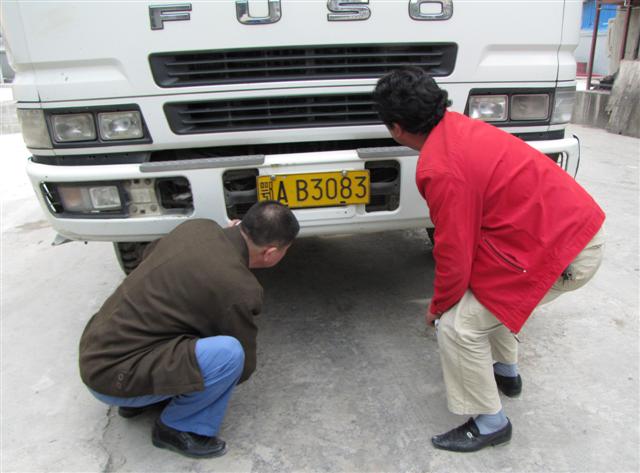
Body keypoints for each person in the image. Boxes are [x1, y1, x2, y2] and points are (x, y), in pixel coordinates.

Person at [373, 67, 605, 452]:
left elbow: (453, 251)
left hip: (568, 253)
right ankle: (506, 372)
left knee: (458, 326)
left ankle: (490, 423)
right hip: (571, 232)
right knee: (483, 294)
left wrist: (438, 307)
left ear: (396, 128)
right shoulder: (459, 127)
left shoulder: (441, 166)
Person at [79, 201, 299, 459]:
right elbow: (244, 367)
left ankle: (140, 399)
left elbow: (148, 254)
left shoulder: (198, 227)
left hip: (97, 353)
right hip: (113, 380)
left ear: (239, 224)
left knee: (187, 319)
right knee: (229, 355)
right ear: (270, 253)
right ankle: (178, 427)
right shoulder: (239, 288)